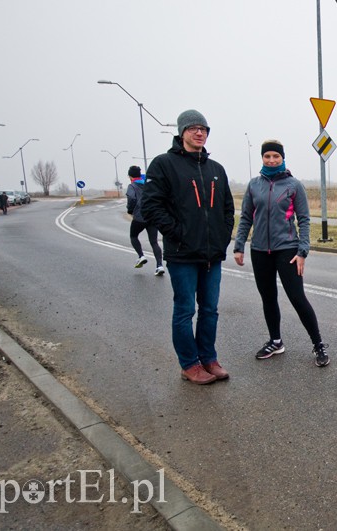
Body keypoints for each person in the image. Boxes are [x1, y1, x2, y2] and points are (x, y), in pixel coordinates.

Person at [142, 109, 235, 385]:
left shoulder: (216, 169)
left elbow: (227, 208)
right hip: (182, 254)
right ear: (182, 132)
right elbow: (151, 206)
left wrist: (222, 236)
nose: (199, 133)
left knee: (210, 310)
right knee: (185, 311)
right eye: (193, 128)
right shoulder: (164, 164)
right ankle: (189, 364)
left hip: (211, 255)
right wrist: (178, 234)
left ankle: (208, 358)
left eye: (203, 129)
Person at [233, 140, 330, 367]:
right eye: (267, 156)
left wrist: (303, 251)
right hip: (259, 250)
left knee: (297, 298)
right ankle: (276, 341)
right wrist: (239, 246)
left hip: (287, 249)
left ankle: (318, 344)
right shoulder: (254, 185)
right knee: (268, 298)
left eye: (275, 156)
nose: (271, 160)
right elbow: (246, 217)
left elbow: (304, 220)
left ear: (282, 158)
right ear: (262, 158)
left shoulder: (293, 185)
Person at [125, 165, 164, 276]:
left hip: (139, 217)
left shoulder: (132, 186)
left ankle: (141, 256)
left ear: (130, 176)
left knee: (133, 236)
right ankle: (159, 266)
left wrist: (130, 210)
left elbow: (132, 198)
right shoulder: (148, 183)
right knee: (154, 242)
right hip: (152, 216)